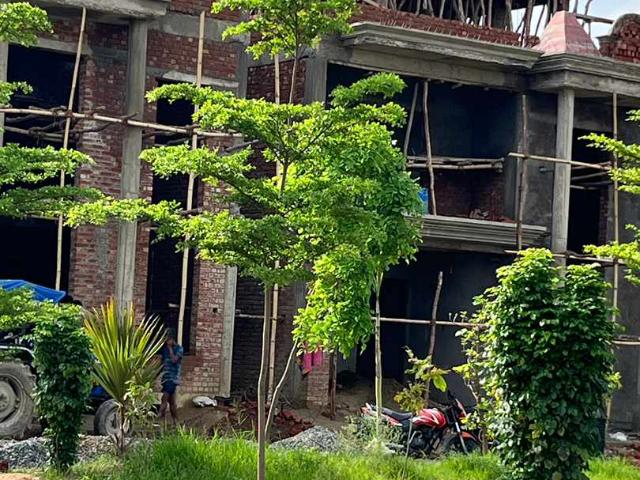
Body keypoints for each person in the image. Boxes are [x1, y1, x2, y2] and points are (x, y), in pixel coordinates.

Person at [158, 328, 183, 425]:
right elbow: (162, 363)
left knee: (164, 398)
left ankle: (159, 418)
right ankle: (176, 422)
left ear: (172, 339)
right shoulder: (164, 350)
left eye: (168, 339)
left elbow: (174, 360)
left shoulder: (179, 349)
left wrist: (170, 348)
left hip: (173, 378)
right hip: (165, 378)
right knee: (171, 402)